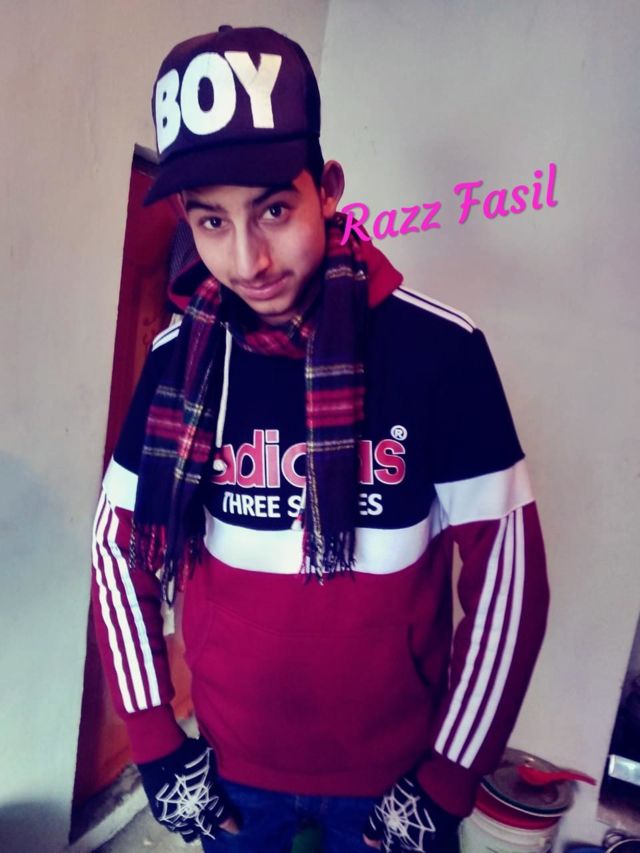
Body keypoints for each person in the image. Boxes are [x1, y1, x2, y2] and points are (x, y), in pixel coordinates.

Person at [91, 24, 549, 853]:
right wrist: (156, 744)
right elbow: (117, 551)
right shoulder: (178, 359)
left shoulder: (440, 352)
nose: (249, 260)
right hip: (229, 766)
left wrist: (449, 779)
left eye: (273, 210)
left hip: (393, 777)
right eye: (212, 222)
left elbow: (510, 585)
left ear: (327, 189)